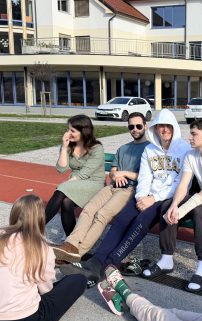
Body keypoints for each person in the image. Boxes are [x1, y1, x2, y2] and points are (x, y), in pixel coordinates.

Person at [59, 109, 190, 285]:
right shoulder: (150, 150)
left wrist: (153, 198)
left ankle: (108, 265)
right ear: (155, 128)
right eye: (161, 126)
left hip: (167, 198)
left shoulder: (184, 150)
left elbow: (182, 183)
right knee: (121, 220)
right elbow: (145, 177)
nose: (165, 130)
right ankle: (95, 261)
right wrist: (141, 196)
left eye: (168, 126)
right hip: (145, 195)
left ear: (174, 127)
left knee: (139, 222)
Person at [0, 195, 87, 321]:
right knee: (78, 280)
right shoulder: (41, 247)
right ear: (40, 219)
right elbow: (46, 290)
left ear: (14, 213)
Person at [145, 118, 202, 293]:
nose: (190, 138)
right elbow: (183, 184)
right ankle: (166, 259)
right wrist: (174, 205)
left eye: (194, 134)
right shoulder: (190, 155)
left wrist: (181, 211)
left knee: (200, 211)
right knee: (166, 206)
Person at [52, 112, 149, 262]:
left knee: (102, 215)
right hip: (112, 187)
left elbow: (147, 177)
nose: (135, 129)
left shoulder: (150, 149)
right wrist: (115, 175)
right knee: (88, 210)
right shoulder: (123, 148)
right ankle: (70, 245)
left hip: (130, 190)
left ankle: (78, 253)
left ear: (145, 126)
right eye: (131, 127)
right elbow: (113, 172)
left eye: (138, 126)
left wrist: (124, 173)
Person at [45, 115, 105, 236]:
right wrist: (64, 147)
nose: (68, 133)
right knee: (66, 202)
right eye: (68, 129)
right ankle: (72, 239)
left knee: (62, 190)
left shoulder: (97, 148)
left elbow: (85, 173)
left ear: (83, 131)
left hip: (94, 184)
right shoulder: (69, 146)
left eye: (72, 130)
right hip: (75, 184)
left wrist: (65, 186)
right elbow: (61, 169)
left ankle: (34, 228)